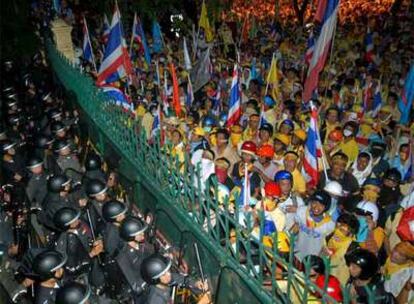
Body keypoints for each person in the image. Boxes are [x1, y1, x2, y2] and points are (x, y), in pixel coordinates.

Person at [140, 253, 209, 304]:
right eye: (164, 274)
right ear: (155, 279)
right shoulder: (156, 300)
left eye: (167, 271)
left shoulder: (164, 281)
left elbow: (181, 279)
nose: (169, 274)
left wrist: (196, 284)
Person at [293, 191, 335, 261]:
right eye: (314, 203)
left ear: (326, 207)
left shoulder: (329, 224)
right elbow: (295, 228)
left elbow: (326, 246)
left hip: (313, 260)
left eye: (321, 205)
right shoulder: (302, 211)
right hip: (296, 254)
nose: (316, 207)